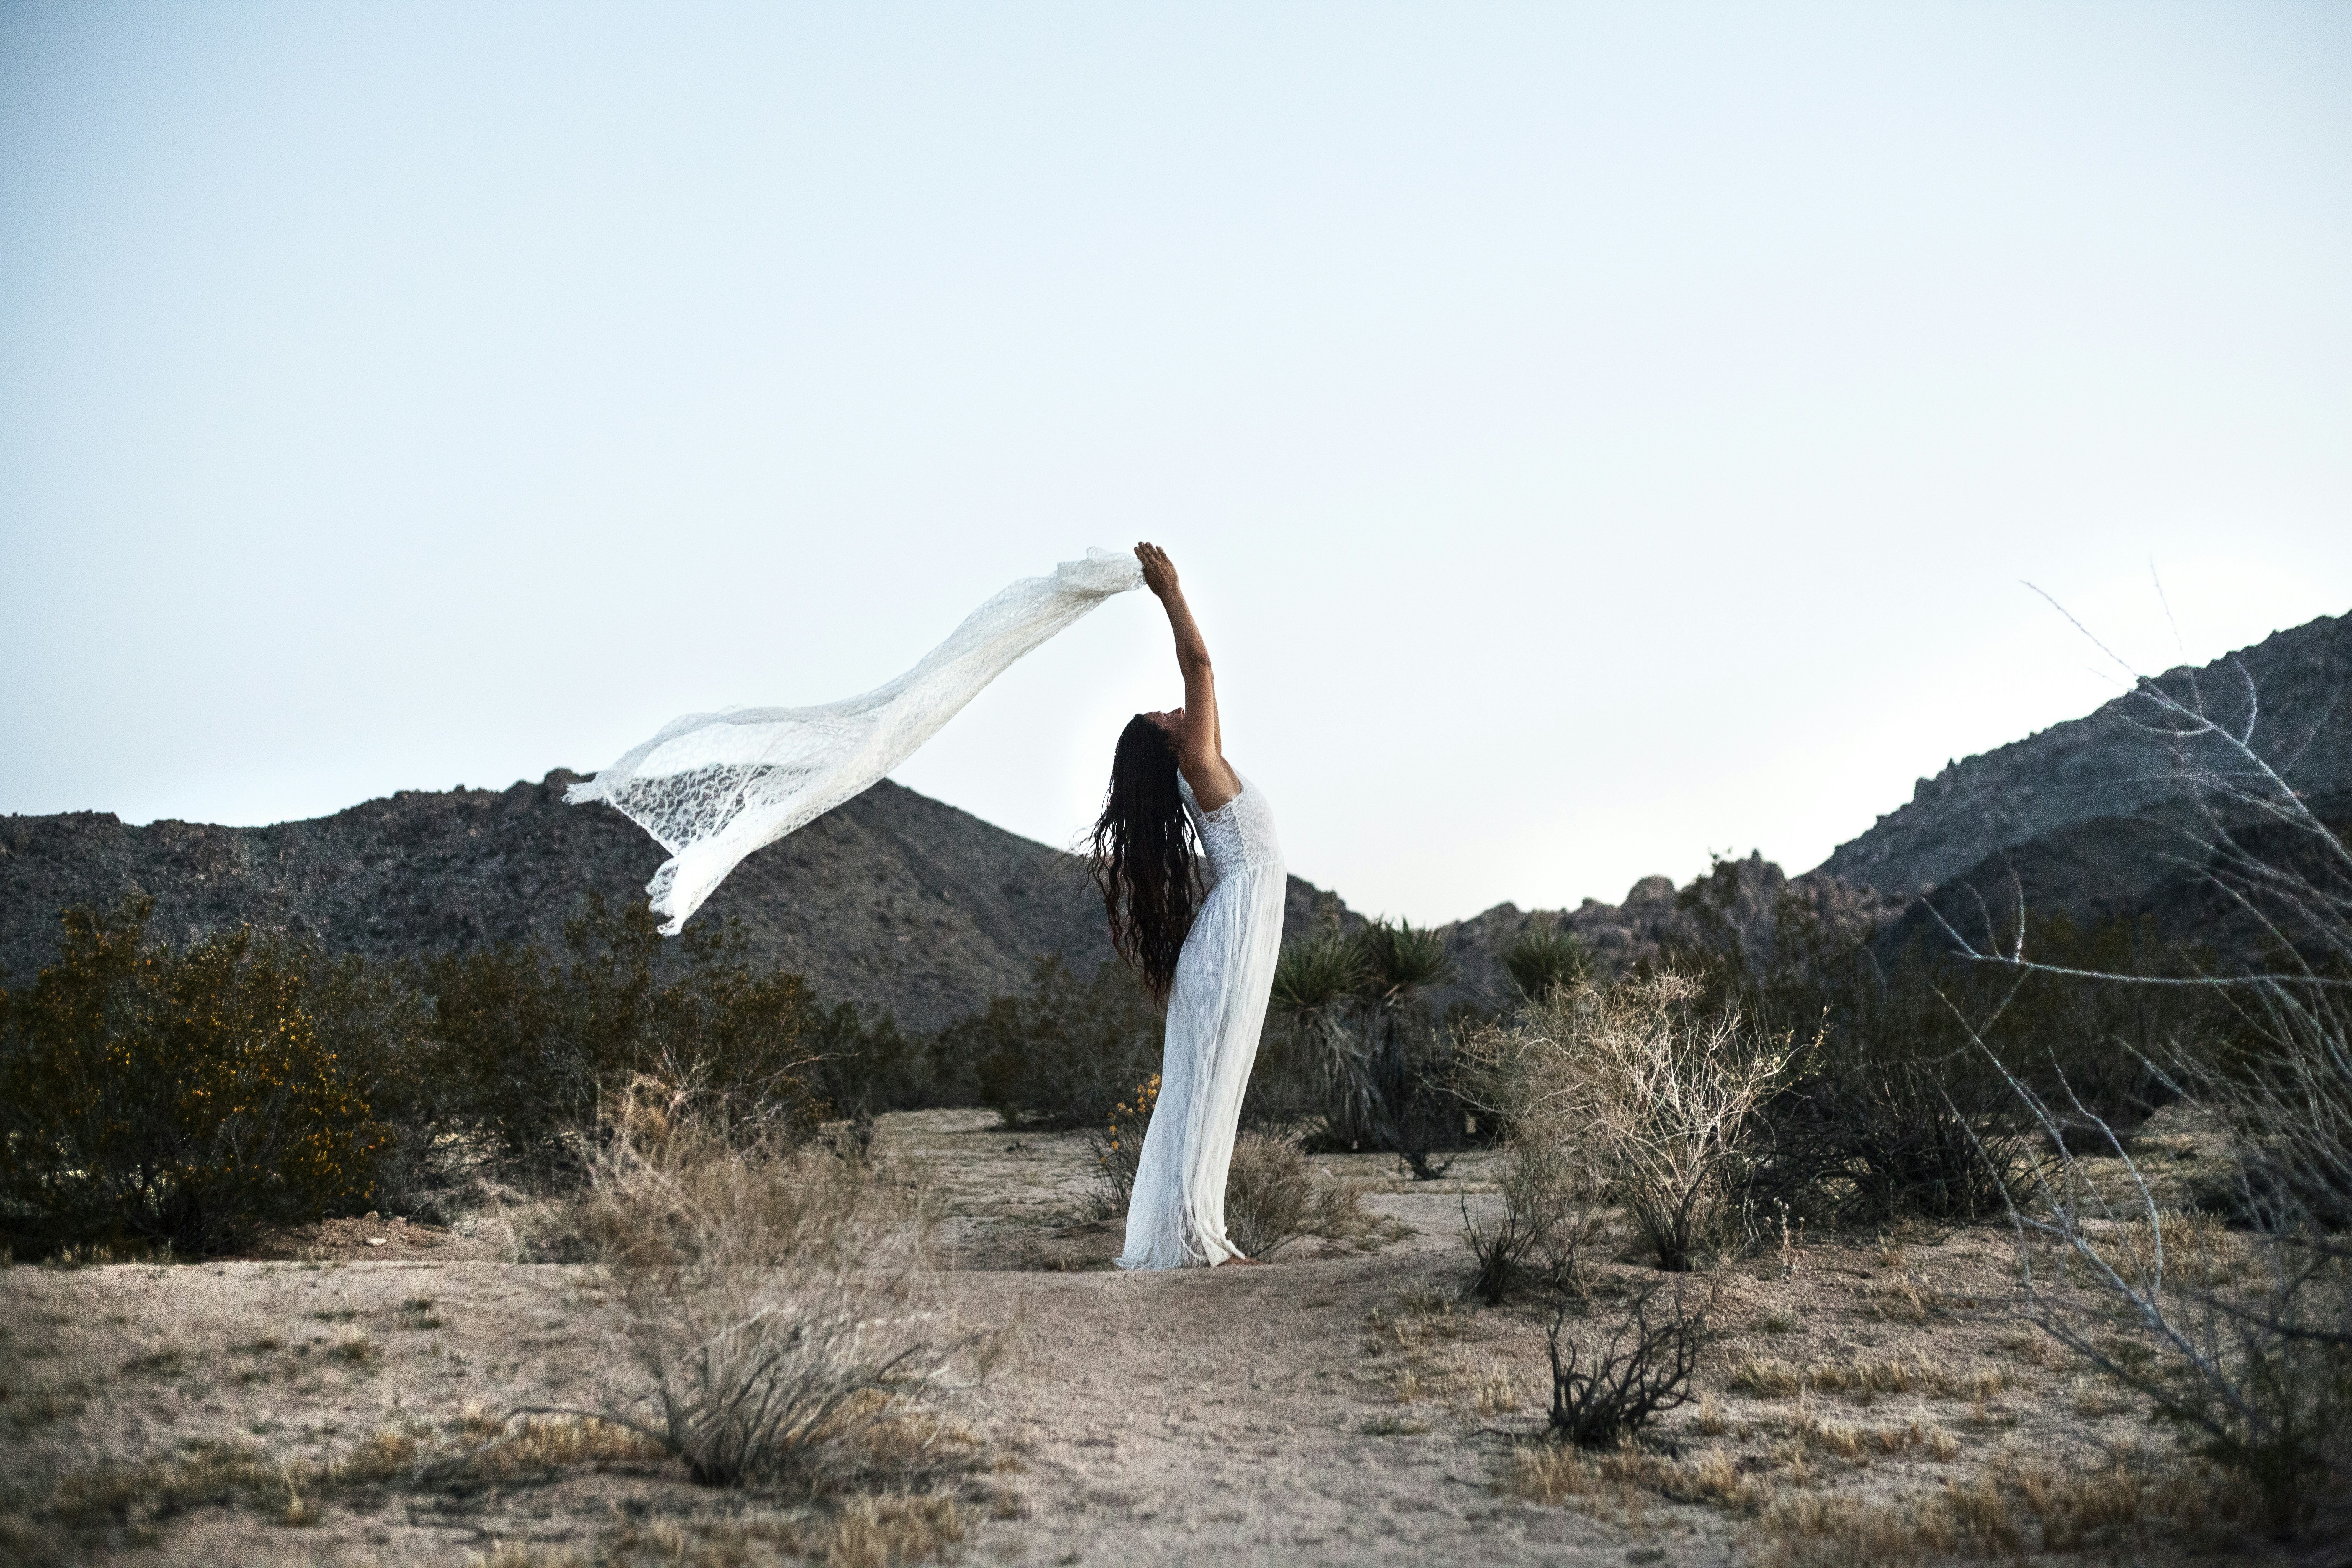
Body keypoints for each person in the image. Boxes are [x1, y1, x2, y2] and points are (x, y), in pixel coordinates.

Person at [1091, 542, 1287, 1269]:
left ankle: (1200, 1233)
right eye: (1165, 715)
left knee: (1213, 1078)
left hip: (1238, 929)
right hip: (1234, 931)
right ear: (1170, 743)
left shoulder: (1207, 764)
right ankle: (1191, 1239)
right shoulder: (1197, 765)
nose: (1178, 708)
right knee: (1202, 1085)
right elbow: (1201, 668)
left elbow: (1199, 687)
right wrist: (1170, 592)